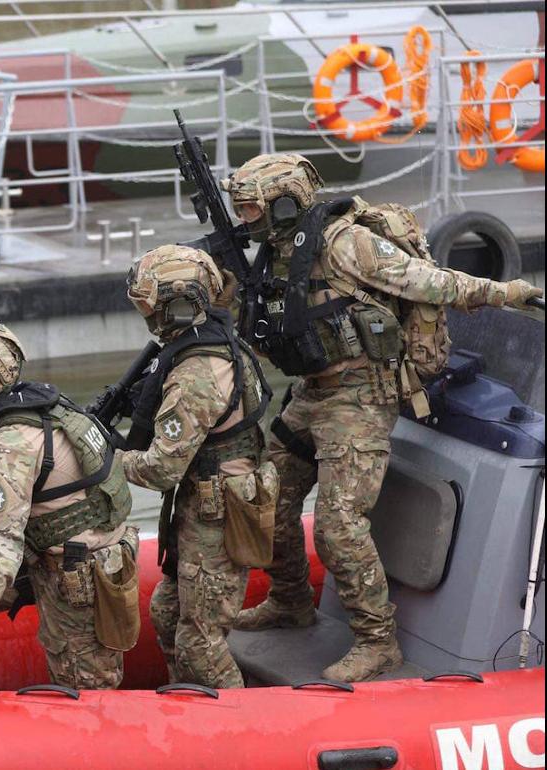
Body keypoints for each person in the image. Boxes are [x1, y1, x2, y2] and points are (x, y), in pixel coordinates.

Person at [224, 153, 544, 682]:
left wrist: (502, 292)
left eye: (252, 207)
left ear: (284, 203)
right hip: (314, 390)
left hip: (361, 395)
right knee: (268, 499)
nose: (245, 218)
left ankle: (378, 639)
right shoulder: (273, 254)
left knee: (338, 528)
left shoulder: (346, 244)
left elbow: (431, 283)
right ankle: (289, 601)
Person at [0, 324, 139, 701]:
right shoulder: (43, 405)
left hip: (78, 579)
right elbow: (35, 503)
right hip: (51, 557)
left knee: (87, 700)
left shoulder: (10, 445)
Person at [119, 245, 275, 689]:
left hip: (219, 514)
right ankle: (190, 710)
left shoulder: (199, 370)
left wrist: (110, 460)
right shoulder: (204, 343)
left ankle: (239, 731)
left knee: (200, 644)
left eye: (150, 304)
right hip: (201, 504)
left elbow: (161, 470)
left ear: (181, 304)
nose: (147, 315)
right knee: (167, 615)